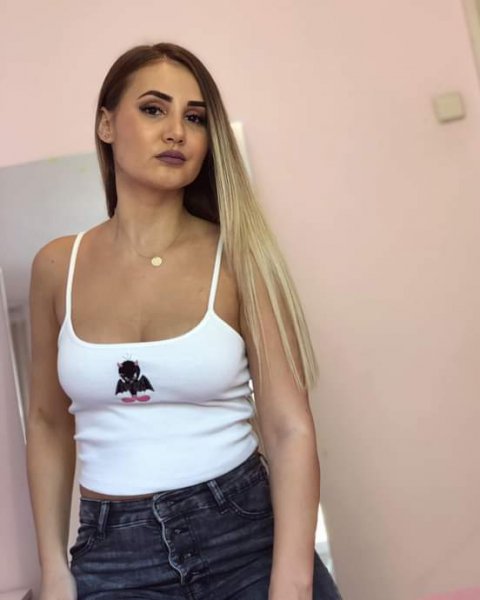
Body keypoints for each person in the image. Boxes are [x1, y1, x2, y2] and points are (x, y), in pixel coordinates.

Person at [26, 42, 343, 600]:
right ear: (106, 124)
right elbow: (48, 425)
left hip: (247, 539)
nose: (176, 131)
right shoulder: (57, 267)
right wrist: (53, 569)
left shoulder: (239, 257)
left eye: (195, 118)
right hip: (114, 554)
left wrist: (292, 583)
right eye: (153, 109)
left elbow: (289, 429)